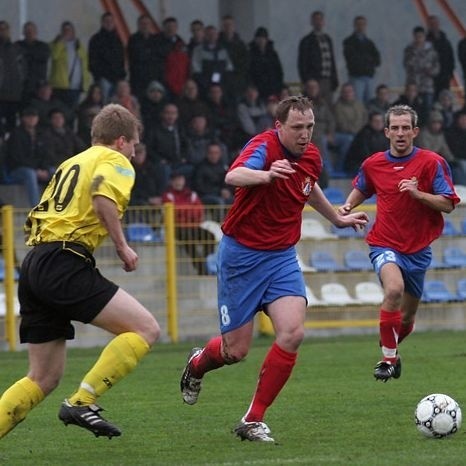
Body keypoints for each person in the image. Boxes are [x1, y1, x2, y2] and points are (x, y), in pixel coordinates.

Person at [179, 96, 368, 442]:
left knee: (293, 333)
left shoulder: (311, 156)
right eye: (298, 127)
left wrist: (336, 219)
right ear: (279, 126)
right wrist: (265, 174)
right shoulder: (263, 147)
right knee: (234, 351)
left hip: (281, 257)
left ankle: (253, 419)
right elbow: (234, 174)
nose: (305, 134)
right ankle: (196, 365)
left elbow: (309, 189)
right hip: (242, 257)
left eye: (310, 126)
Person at [0, 103, 160, 440]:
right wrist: (122, 246)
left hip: (36, 263)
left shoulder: (71, 162)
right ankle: (81, 401)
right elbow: (103, 198)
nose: (133, 153)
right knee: (145, 328)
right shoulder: (114, 161)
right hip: (64, 260)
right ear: (120, 141)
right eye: (134, 145)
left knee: (42, 377)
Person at [339, 104, 459, 383]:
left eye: (406, 128)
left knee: (405, 320)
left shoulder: (432, 162)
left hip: (418, 250)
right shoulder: (373, 163)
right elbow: (363, 187)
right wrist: (347, 206)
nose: (401, 133)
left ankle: (391, 349)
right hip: (384, 243)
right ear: (386, 132)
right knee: (393, 289)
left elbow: (449, 204)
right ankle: (388, 359)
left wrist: (418, 194)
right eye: (395, 128)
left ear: (415, 131)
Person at [297, 11, 338, 107]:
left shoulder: (328, 39)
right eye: (316, 19)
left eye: (320, 19)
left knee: (328, 106)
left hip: (328, 80)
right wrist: (306, 80)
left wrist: (334, 79)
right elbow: (302, 63)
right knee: (313, 106)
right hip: (314, 81)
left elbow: (332, 61)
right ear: (312, 22)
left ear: (324, 22)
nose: (318, 22)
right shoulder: (306, 41)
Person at [49, 21, 90, 112]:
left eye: (69, 30)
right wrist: (61, 42)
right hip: (60, 86)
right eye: (65, 30)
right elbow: (54, 56)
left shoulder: (79, 45)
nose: (67, 32)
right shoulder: (55, 44)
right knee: (59, 111)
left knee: (72, 112)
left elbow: (84, 63)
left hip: (75, 87)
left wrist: (85, 83)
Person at [88, 12, 126, 103]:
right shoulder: (96, 39)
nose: (109, 23)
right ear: (102, 22)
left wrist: (122, 75)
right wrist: (99, 76)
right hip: (103, 79)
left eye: (111, 21)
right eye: (106, 21)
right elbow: (92, 60)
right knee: (104, 105)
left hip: (117, 79)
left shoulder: (118, 39)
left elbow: (121, 59)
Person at [403, 26, 439, 121]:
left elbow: (437, 67)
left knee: (427, 110)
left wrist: (430, 71)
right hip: (413, 86)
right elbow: (407, 65)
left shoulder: (431, 51)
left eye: (421, 36)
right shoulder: (409, 50)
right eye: (417, 36)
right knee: (412, 110)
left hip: (427, 86)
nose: (419, 39)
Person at [342, 15, 381, 104]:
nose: (361, 26)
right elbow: (352, 60)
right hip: (356, 77)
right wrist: (368, 60)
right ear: (354, 25)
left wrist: (365, 60)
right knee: (357, 103)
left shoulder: (369, 42)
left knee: (369, 104)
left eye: (363, 24)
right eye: (359, 24)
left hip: (369, 77)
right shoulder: (349, 42)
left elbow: (378, 60)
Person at [248, 27, 284, 101]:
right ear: (255, 39)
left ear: (266, 39)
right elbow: (248, 72)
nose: (261, 40)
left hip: (272, 88)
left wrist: (277, 88)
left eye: (263, 38)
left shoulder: (273, 54)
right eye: (259, 38)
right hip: (256, 89)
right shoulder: (250, 54)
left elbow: (278, 72)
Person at [426, 15, 455, 99]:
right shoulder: (426, 43)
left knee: (445, 100)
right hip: (431, 80)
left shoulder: (446, 42)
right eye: (431, 24)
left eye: (435, 23)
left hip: (445, 77)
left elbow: (451, 58)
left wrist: (450, 73)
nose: (433, 26)